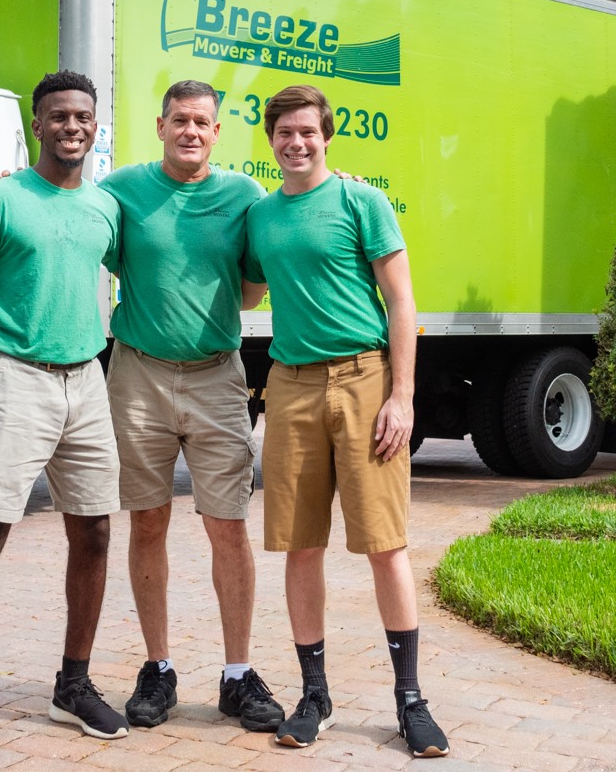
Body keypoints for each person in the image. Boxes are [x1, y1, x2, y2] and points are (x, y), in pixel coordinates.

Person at [0, 70, 128, 766]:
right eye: (60, 116)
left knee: (96, 533)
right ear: (37, 125)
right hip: (15, 381)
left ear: (95, 127)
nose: (73, 126)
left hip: (87, 380)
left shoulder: (106, 208)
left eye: (84, 117)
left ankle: (73, 684)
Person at [242, 83, 449, 759]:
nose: (295, 142)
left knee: (386, 546)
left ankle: (411, 701)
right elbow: (245, 289)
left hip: (365, 382)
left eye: (307, 131)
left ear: (327, 135)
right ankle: (315, 695)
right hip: (292, 387)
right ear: (269, 140)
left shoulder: (363, 201)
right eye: (283, 133)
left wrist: (403, 396)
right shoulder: (260, 216)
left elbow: (401, 299)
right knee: (301, 547)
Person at [100, 80, 285, 733]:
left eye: (202, 122)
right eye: (180, 120)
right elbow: (63, 207)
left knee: (227, 526)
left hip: (216, 378)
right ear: (160, 125)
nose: (190, 131)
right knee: (147, 523)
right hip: (138, 377)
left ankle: (238, 676)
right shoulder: (122, 189)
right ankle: (158, 669)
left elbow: (257, 289)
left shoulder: (243, 197)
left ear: (217, 130)